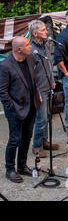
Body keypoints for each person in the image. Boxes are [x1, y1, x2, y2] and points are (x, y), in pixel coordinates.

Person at [0, 36, 42, 183]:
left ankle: (22, 166)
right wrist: (12, 108)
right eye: (27, 45)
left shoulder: (29, 59)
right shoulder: (6, 65)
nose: (30, 47)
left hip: (31, 106)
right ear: (19, 49)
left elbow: (34, 79)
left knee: (26, 137)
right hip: (15, 110)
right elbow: (3, 92)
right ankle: (10, 169)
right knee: (14, 139)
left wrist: (37, 95)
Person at [29, 20, 59, 157]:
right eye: (43, 30)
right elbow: (30, 74)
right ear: (35, 34)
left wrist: (52, 80)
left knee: (47, 116)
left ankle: (44, 140)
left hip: (48, 85)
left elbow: (48, 65)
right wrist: (36, 93)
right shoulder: (31, 50)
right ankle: (36, 146)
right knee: (41, 119)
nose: (46, 32)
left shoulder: (45, 45)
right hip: (39, 89)